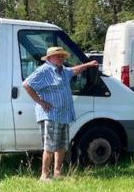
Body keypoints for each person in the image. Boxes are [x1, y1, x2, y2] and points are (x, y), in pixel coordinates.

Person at [23, 46, 98, 181]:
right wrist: (40, 102)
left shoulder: (62, 71)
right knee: (50, 146)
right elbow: (27, 85)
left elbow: (74, 70)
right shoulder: (44, 70)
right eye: (59, 56)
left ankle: (57, 172)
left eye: (63, 56)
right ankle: (44, 176)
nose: (62, 58)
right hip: (51, 115)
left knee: (62, 145)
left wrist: (88, 64)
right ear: (50, 57)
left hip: (63, 114)